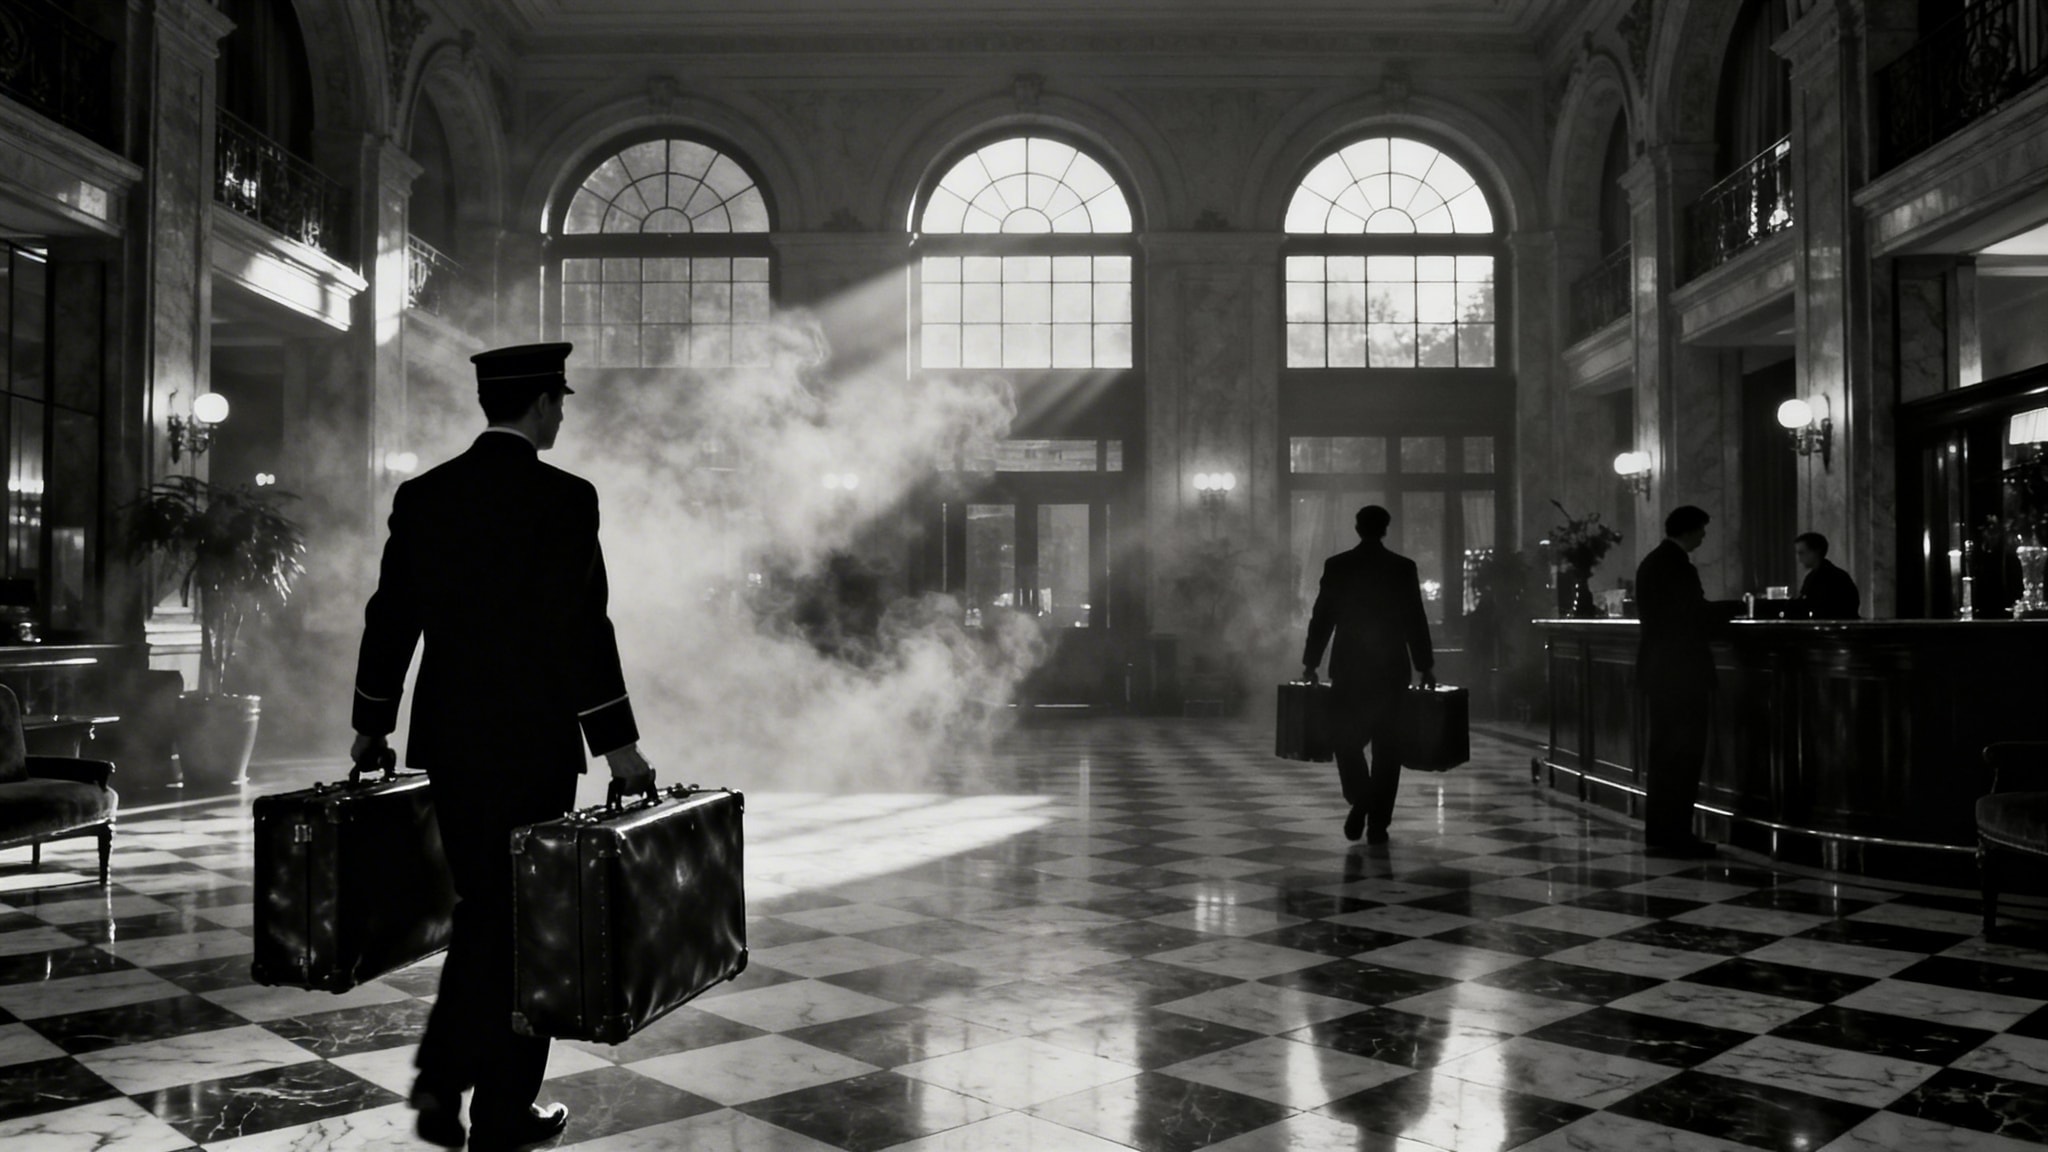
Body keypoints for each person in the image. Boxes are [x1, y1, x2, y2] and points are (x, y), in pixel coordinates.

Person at [349, 342, 653, 1152]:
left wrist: (370, 721)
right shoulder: (565, 498)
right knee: (524, 923)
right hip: (535, 745)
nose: (562, 414)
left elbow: (392, 619)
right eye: (560, 401)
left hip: (450, 743)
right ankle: (483, 1101)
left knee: (487, 912)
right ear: (542, 404)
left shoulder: (425, 496)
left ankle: (454, 1088)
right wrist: (618, 744)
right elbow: (582, 629)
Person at [1302, 505, 1436, 844]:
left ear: (1357, 527)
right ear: (1385, 529)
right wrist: (1425, 665)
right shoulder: (1402, 568)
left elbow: (1322, 619)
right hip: (1391, 669)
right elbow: (1415, 620)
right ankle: (1378, 823)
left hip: (1350, 668)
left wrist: (1310, 662)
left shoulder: (1338, 566)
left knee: (1344, 740)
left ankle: (1361, 797)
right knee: (1387, 749)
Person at [1634, 505, 1740, 857]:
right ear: (1689, 530)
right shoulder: (1677, 566)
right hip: (1682, 675)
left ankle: (1661, 832)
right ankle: (1678, 835)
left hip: (1659, 673)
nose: (1704, 537)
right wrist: (1736, 607)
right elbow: (1694, 616)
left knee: (1664, 757)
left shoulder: (1652, 562)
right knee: (1683, 757)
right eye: (1702, 530)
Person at [1794, 531, 1860, 619]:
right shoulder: (1812, 577)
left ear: (1815, 552)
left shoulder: (1835, 578)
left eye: (1801, 553)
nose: (1798, 558)